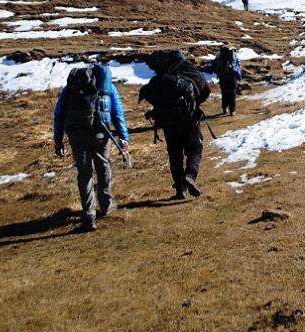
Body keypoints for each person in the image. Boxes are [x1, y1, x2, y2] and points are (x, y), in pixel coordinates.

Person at [53, 63, 129, 232]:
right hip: (101, 133)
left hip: (77, 134)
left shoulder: (70, 90)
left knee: (84, 172)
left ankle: (89, 215)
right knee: (103, 166)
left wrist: (58, 141)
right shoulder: (107, 88)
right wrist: (124, 137)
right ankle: (106, 205)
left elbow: (58, 115)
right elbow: (117, 113)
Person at [139, 50, 210, 199]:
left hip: (168, 122)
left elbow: (151, 95)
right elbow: (206, 89)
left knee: (175, 154)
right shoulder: (192, 71)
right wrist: (194, 103)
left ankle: (180, 190)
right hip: (189, 119)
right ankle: (190, 175)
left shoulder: (162, 78)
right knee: (195, 148)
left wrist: (157, 110)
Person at [212, 47, 241, 116]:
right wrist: (238, 75)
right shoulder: (234, 55)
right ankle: (232, 110)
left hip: (222, 77)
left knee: (224, 93)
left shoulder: (219, 55)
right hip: (232, 77)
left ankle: (224, 109)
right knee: (232, 94)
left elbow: (214, 65)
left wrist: (218, 73)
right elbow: (238, 65)